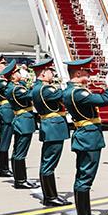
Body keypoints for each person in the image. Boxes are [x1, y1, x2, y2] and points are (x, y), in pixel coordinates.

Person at [61, 57, 108, 215]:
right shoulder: (78, 92)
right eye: (86, 72)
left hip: (85, 136)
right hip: (88, 138)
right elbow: (105, 100)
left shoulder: (73, 90)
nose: (89, 75)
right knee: (85, 179)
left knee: (83, 177)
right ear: (78, 73)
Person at [31, 57, 71, 206]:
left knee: (47, 163)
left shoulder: (38, 87)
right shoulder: (45, 89)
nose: (52, 73)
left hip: (50, 126)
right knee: (49, 164)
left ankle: (50, 195)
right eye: (49, 71)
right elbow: (63, 96)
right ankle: (50, 197)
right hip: (53, 127)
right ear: (42, 74)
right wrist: (70, 84)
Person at [5, 63, 40, 190]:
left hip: (22, 120)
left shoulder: (15, 87)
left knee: (18, 151)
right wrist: (38, 82)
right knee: (20, 153)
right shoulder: (16, 89)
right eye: (18, 72)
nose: (20, 74)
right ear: (13, 76)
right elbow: (31, 95)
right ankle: (20, 180)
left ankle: (19, 178)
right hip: (24, 121)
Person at [0, 60, 16, 178]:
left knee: (5, 140)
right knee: (5, 141)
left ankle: (4, 167)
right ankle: (3, 168)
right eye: (2, 64)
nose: (4, 65)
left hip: (5, 109)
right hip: (6, 110)